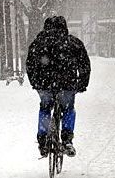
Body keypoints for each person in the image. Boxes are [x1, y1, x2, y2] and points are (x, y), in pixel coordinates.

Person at [26, 16, 91, 158]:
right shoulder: (73, 42)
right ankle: (67, 140)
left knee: (45, 108)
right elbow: (84, 64)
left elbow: (30, 65)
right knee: (68, 109)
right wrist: (82, 83)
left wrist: (35, 82)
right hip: (67, 85)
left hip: (44, 85)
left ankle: (43, 140)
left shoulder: (38, 43)